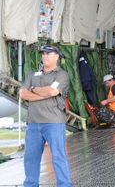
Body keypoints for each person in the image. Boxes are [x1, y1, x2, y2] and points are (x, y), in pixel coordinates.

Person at [19, 45, 73, 187]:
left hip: (53, 123)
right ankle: (30, 185)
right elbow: (22, 94)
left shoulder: (61, 75)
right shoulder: (32, 74)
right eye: (43, 53)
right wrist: (39, 94)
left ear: (57, 56)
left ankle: (65, 185)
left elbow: (51, 92)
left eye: (48, 53)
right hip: (33, 123)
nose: (45, 56)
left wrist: (33, 90)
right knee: (31, 158)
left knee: (58, 156)